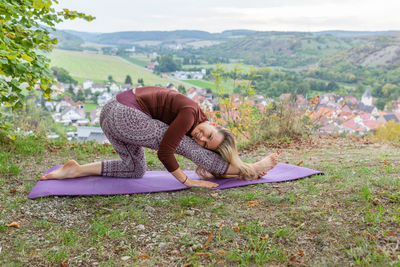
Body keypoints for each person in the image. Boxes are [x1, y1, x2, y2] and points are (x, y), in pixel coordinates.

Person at [40, 86, 279, 188]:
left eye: (206, 143)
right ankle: (250, 169)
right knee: (187, 147)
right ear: (213, 123)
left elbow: (197, 143)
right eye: (207, 134)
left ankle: (75, 170)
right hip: (126, 115)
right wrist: (188, 181)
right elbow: (166, 152)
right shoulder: (189, 113)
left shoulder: (197, 121)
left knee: (134, 168)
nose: (201, 138)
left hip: (110, 114)